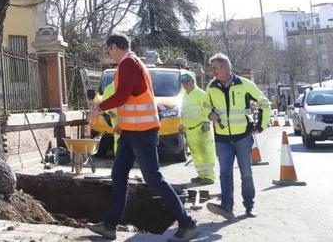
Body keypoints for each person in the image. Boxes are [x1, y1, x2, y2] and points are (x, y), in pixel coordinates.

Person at [87, 34, 198, 241]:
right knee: (119, 174)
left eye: (108, 50)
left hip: (142, 132)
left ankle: (187, 223)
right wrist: (122, 123)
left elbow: (121, 96)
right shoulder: (131, 64)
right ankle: (110, 226)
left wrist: (98, 109)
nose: (108, 53)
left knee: (153, 178)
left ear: (114, 47)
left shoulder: (129, 63)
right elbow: (132, 98)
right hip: (131, 131)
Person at [204, 53, 270, 219]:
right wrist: (209, 114)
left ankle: (249, 206)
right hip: (222, 138)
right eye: (212, 69)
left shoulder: (245, 84)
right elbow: (205, 105)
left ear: (225, 67)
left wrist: (260, 126)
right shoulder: (211, 87)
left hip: (242, 137)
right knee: (225, 173)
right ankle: (227, 207)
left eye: (215, 68)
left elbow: (264, 103)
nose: (213, 72)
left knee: (246, 172)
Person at [178, 72, 216, 185]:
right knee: (196, 154)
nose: (184, 85)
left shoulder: (201, 94)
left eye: (186, 82)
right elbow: (183, 112)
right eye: (182, 83)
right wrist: (181, 124)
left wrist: (206, 122)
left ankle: (209, 176)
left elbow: (207, 110)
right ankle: (201, 175)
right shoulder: (185, 95)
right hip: (190, 130)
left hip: (201, 128)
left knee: (206, 153)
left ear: (192, 82)